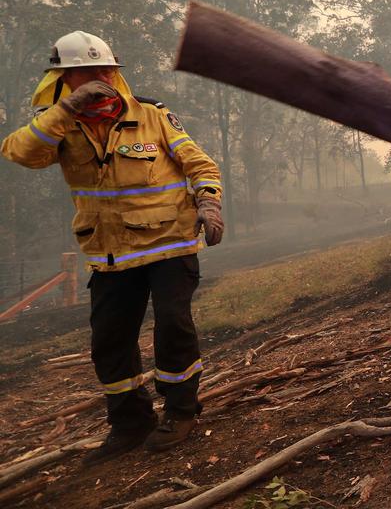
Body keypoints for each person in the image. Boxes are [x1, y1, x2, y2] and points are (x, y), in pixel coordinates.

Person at [1, 31, 224, 464]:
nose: (98, 81)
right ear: (63, 81)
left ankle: (181, 411)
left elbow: (198, 161)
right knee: (110, 341)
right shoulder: (60, 125)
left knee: (173, 326)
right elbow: (20, 153)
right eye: (84, 75)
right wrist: (65, 112)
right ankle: (129, 423)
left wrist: (209, 200)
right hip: (109, 254)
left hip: (170, 243)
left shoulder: (152, 114)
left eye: (104, 72)